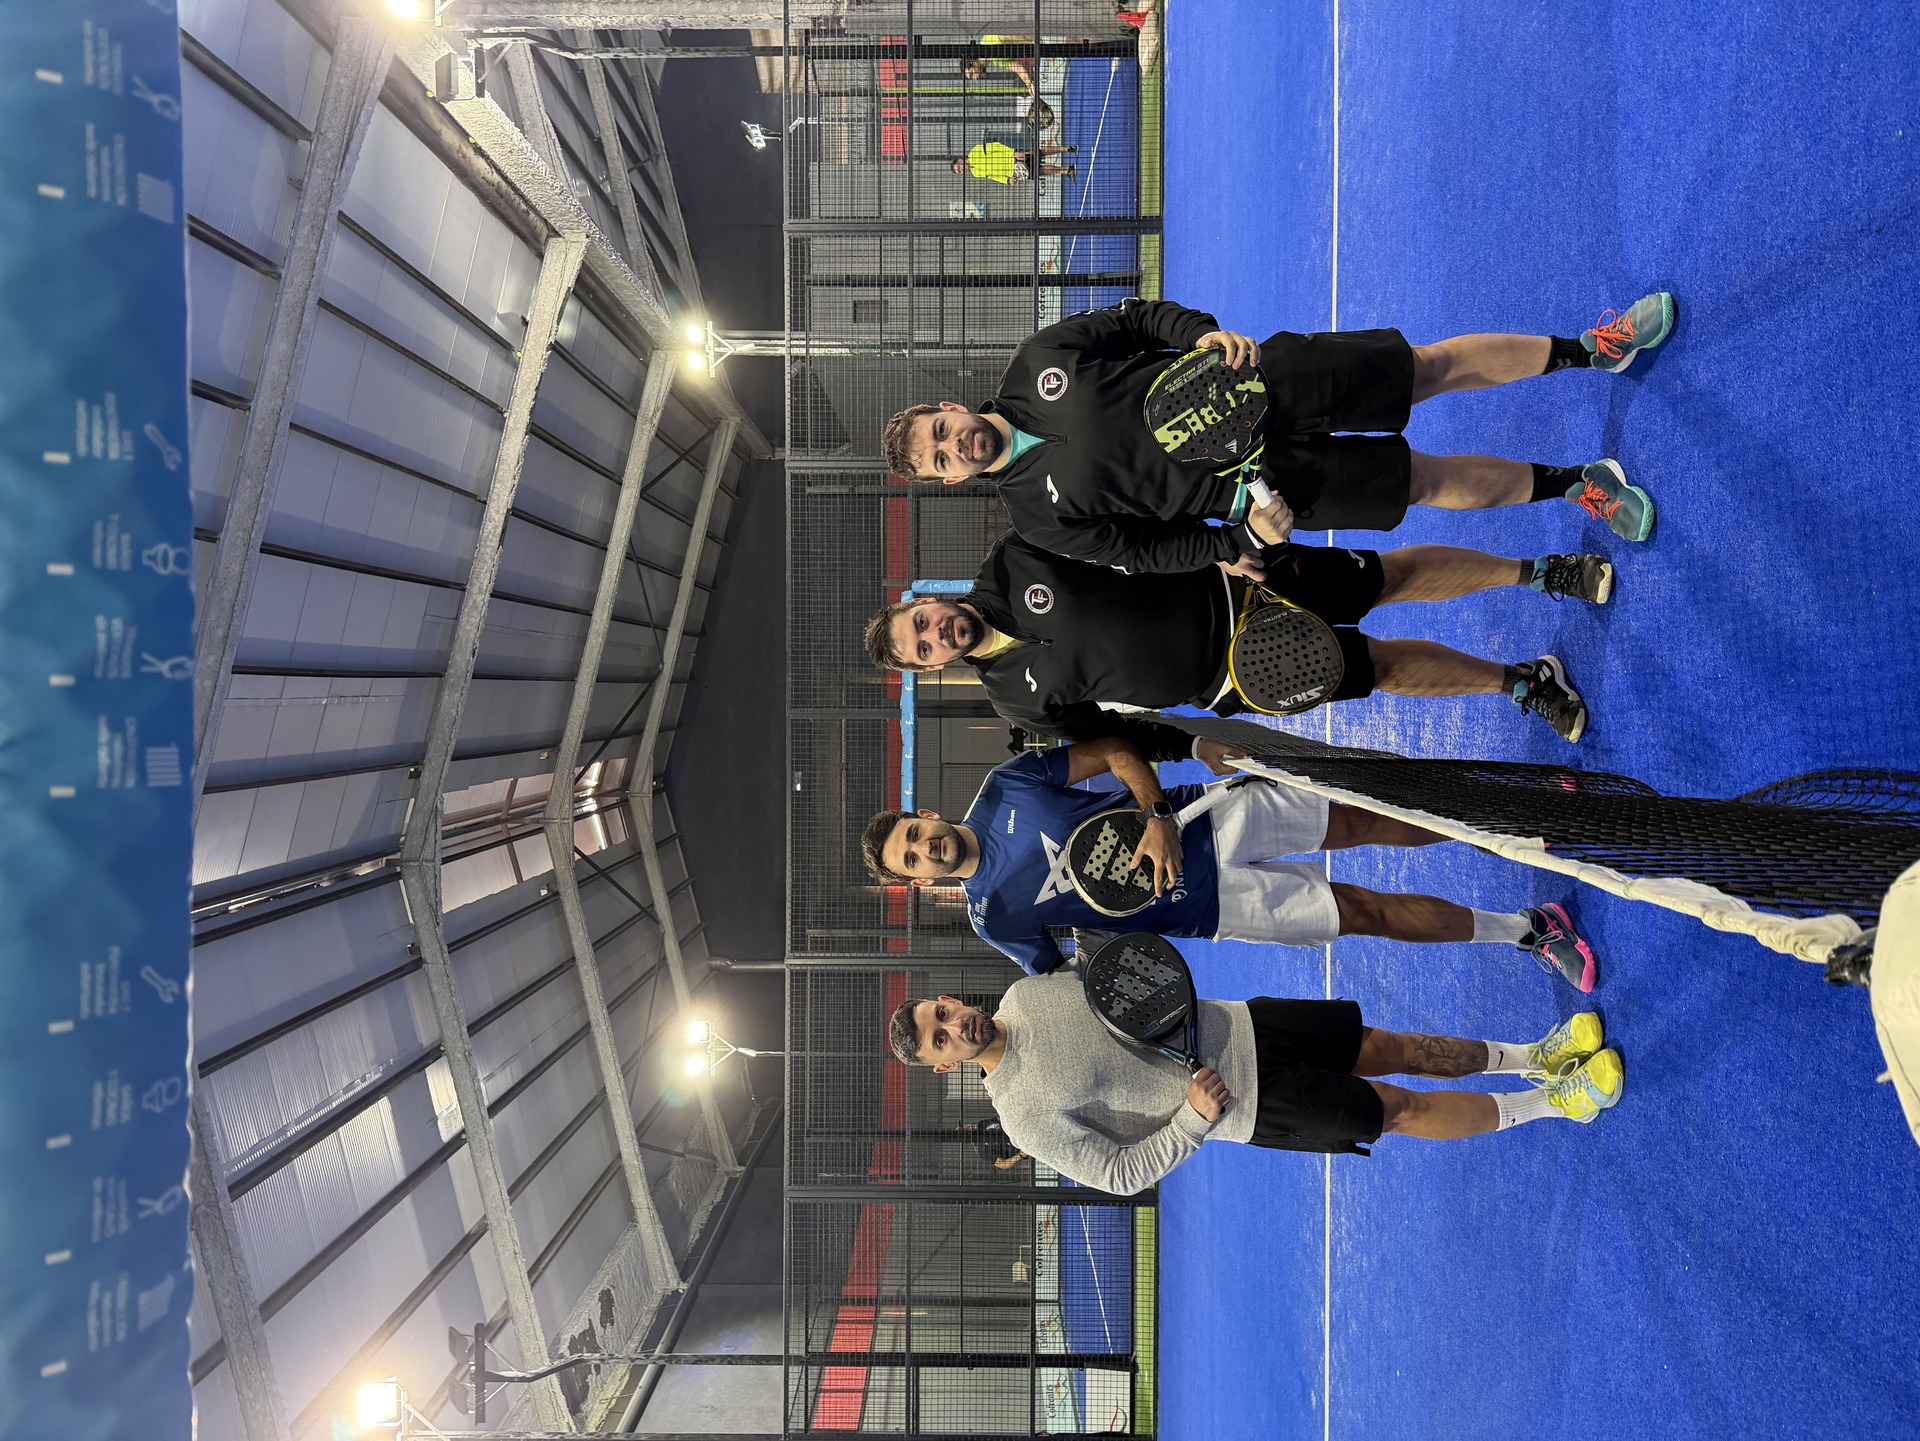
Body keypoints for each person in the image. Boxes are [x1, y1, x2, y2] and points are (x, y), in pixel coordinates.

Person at [879, 294, 1676, 575]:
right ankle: (1578, 485)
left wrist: (1199, 334)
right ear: (949, 479)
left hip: (1260, 378)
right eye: (941, 458)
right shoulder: (1035, 518)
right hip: (1265, 490)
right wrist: (1239, 538)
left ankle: (1591, 349)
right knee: (1423, 482)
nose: (955, 444)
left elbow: (1136, 321)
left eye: (941, 429)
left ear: (948, 406)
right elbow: (1143, 551)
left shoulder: (1036, 361)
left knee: (1424, 369)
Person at [858, 734, 1599, 990]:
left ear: (927, 814)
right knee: (1363, 914)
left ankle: (1519, 816)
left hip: (1205, 817)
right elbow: (1067, 977)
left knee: (1364, 819)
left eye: (916, 834)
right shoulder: (993, 920)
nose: (926, 848)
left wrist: (1156, 818)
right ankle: (1529, 928)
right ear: (916, 882)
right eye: (912, 860)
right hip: (1212, 910)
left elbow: (1115, 752)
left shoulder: (1005, 786)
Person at [886, 979, 1624, 1193]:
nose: (954, 1025)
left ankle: (1534, 1054)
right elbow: (1116, 1173)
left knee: (1391, 1046)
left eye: (941, 1013)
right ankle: (1555, 1102)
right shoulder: (1020, 1115)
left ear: (948, 999)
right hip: (1250, 1105)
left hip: (1247, 1022)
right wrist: (1192, 1120)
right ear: (945, 1065)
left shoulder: (1023, 992)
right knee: (1396, 1109)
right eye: (939, 1038)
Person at [863, 531, 1602, 744]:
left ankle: (1540, 572)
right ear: (932, 669)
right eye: (924, 648)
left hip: (1238, 581)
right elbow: (1113, 735)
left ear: (928, 600)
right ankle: (1522, 682)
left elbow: (1126, 528)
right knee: (1378, 670)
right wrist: (1194, 747)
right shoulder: (1014, 702)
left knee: (1388, 578)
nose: (936, 635)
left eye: (922, 621)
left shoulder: (1013, 556)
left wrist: (1215, 542)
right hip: (1238, 678)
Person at [953, 136, 1076, 184]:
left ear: (960, 161)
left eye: (959, 167)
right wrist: (1007, 180)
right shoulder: (975, 173)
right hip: (1014, 171)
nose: (961, 170)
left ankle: (1067, 149)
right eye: (959, 171)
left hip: (1013, 158)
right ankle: (1066, 170)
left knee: (1040, 152)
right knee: (1040, 171)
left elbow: (996, 146)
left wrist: (1012, 153)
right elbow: (992, 176)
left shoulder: (975, 151)